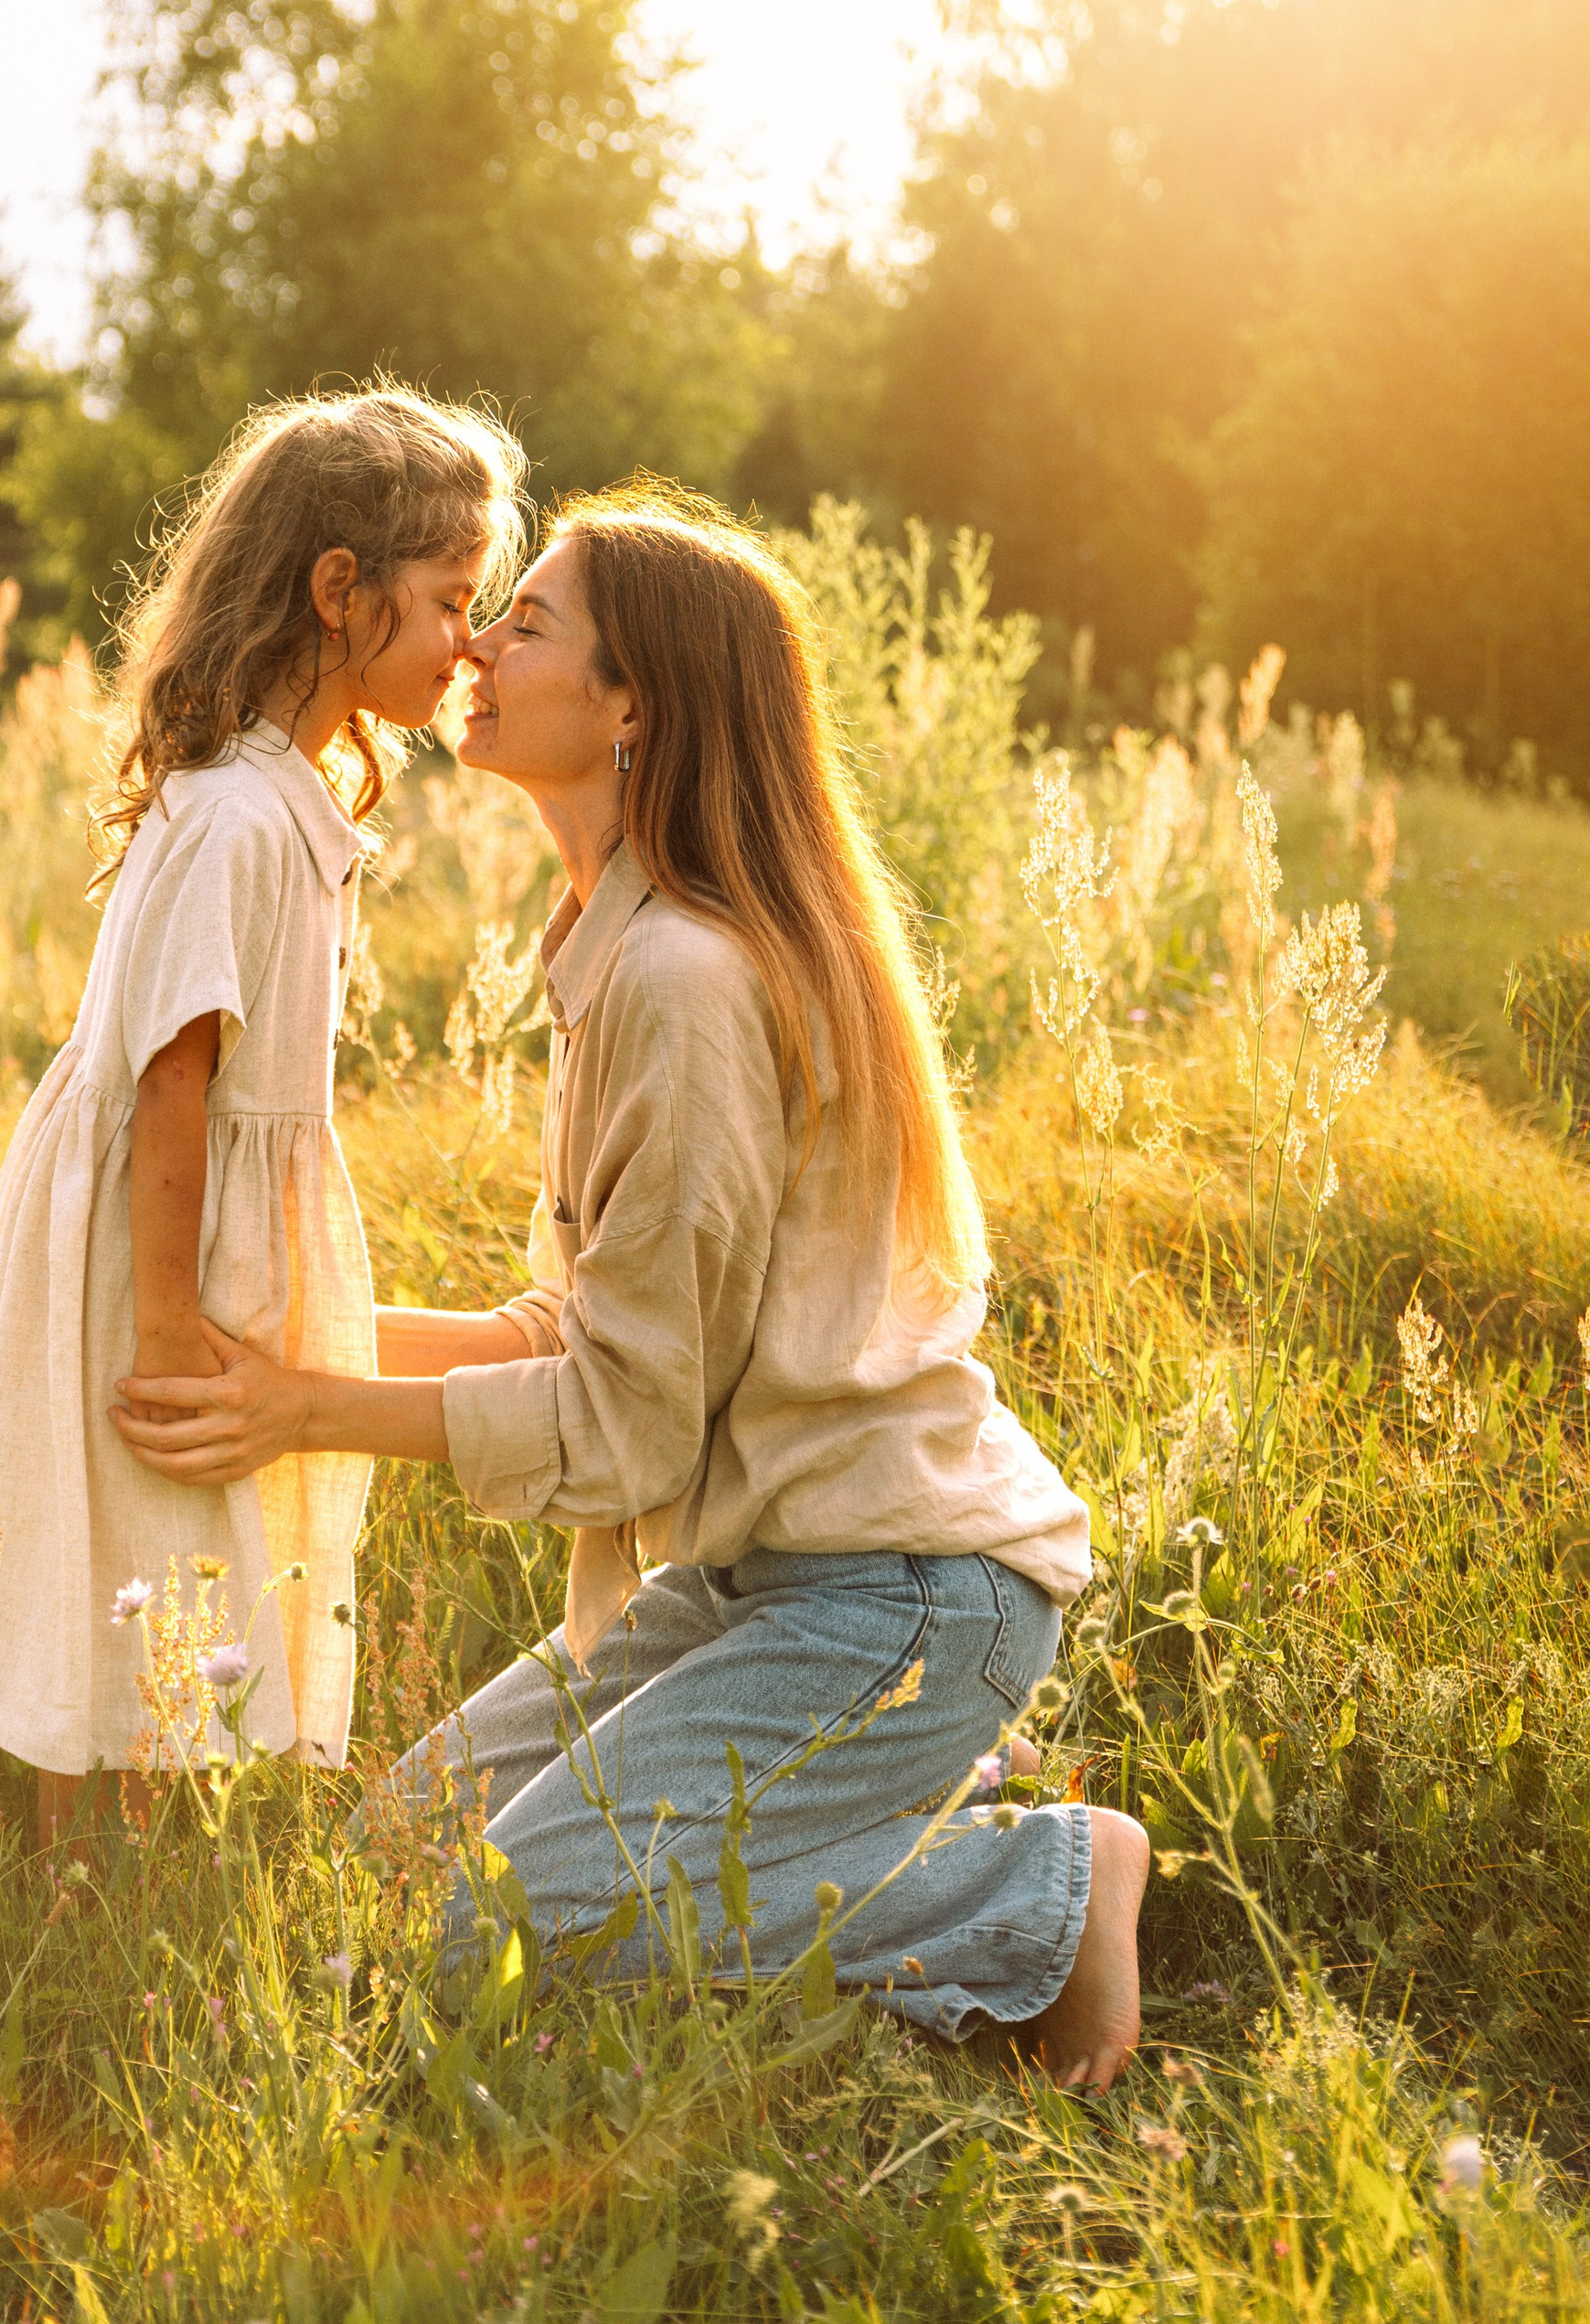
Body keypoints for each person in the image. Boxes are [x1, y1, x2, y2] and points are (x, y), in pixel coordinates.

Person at [113, 486, 1149, 2088]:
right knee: (398, 1857)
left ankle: (1041, 1879)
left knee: (487, 1934)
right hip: (757, 1581)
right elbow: (590, 1333)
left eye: (526, 617)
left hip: (903, 1591)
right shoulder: (613, 938)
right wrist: (302, 1331)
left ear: (632, 706)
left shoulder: (680, 978)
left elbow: (630, 1425)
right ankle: (878, 1793)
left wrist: (303, 1408)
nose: (477, 637)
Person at [0, 384, 524, 1843]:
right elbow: (172, 1078)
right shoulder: (239, 810)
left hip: (198, 1213)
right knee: (141, 1524)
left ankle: (138, 1860)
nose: (470, 639)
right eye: (452, 599)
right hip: (157, 1227)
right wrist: (162, 1321)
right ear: (342, 591)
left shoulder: (286, 799)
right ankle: (85, 1870)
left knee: (187, 1543)